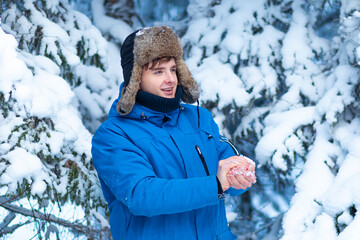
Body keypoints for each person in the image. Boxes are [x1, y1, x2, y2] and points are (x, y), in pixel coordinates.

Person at [91, 26, 256, 240]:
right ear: (135, 78)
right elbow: (142, 195)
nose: (170, 79)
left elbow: (226, 166)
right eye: (158, 71)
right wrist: (215, 184)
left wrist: (238, 174)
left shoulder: (199, 118)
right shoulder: (114, 135)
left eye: (173, 69)